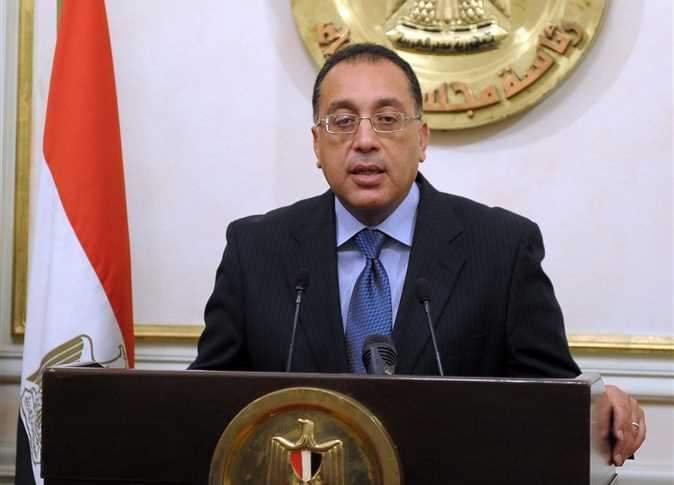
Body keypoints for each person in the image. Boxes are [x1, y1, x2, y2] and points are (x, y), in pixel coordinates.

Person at [189, 43, 645, 464]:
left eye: (387, 119)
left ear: (422, 139)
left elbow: (553, 402)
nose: (365, 141)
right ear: (316, 144)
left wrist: (598, 407)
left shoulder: (502, 248)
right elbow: (206, 404)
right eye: (342, 122)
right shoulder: (256, 249)